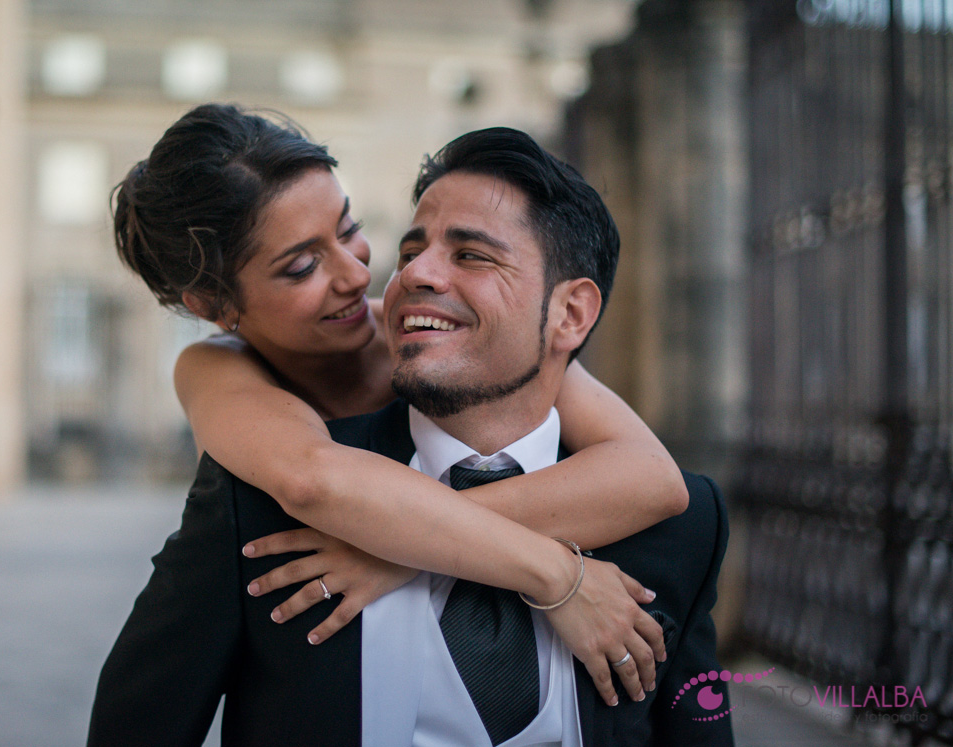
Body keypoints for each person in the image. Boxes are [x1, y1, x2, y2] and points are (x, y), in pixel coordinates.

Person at [88, 109, 729, 745]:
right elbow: (317, 483)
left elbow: (652, 477)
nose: (358, 274)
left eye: (351, 230)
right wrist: (557, 575)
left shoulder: (458, 333)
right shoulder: (222, 385)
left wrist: (399, 551)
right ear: (214, 307)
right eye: (300, 267)